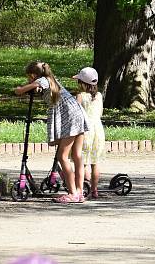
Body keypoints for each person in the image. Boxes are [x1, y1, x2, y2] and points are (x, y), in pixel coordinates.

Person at [13, 61, 89, 203]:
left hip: (69, 117)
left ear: (33, 75)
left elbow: (36, 84)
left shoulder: (43, 80)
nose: (29, 80)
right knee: (77, 156)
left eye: (29, 77)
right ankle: (79, 192)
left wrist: (20, 90)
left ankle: (72, 193)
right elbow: (41, 87)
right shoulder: (51, 79)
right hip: (77, 114)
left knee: (63, 156)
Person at [73, 66, 106, 199]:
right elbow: (100, 113)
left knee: (82, 162)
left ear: (83, 83)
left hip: (85, 131)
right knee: (95, 162)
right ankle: (94, 190)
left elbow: (76, 114)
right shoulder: (99, 96)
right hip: (98, 130)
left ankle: (80, 188)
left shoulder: (80, 96)